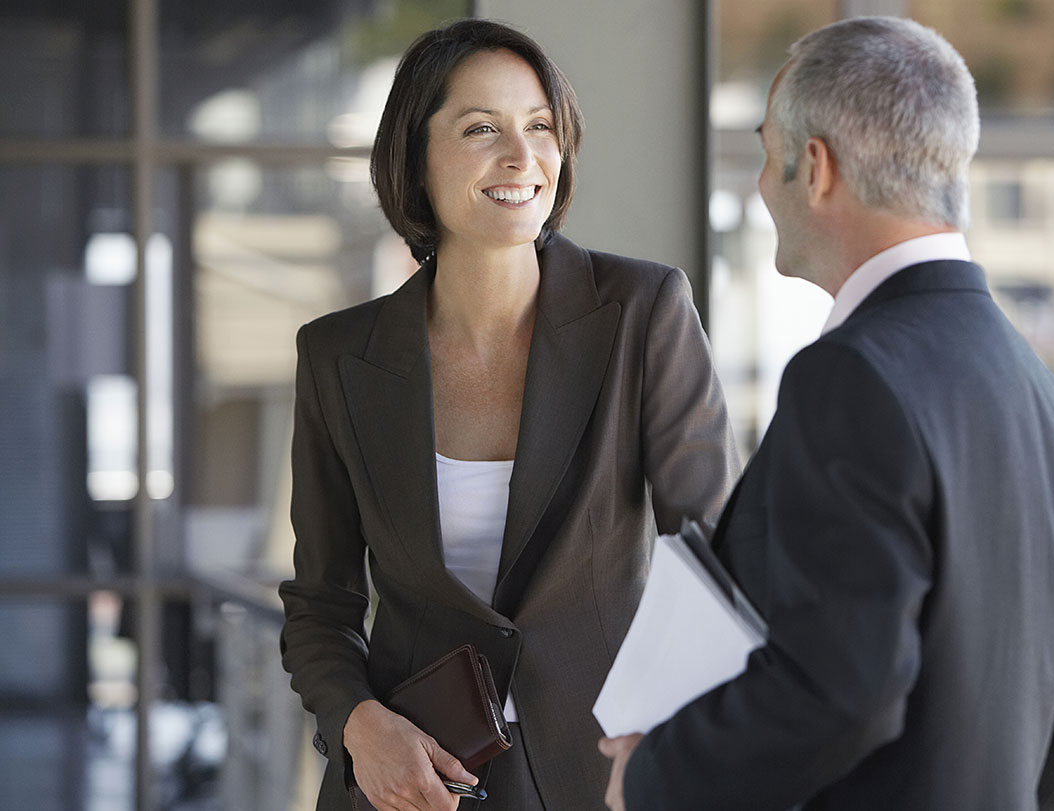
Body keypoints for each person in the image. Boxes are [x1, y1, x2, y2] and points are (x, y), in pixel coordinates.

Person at [599, 16, 1054, 811]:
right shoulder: (1038, 392)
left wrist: (657, 774)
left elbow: (844, 688)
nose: (763, 185)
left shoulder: (850, 378)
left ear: (818, 168)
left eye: (769, 154)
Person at [278, 18, 738, 811]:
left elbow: (715, 555)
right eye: (481, 128)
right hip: (408, 781)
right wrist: (357, 724)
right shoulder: (337, 356)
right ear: (415, 159)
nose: (522, 158)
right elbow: (322, 602)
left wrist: (668, 733)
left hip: (609, 776)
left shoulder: (642, 312)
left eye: (541, 127)